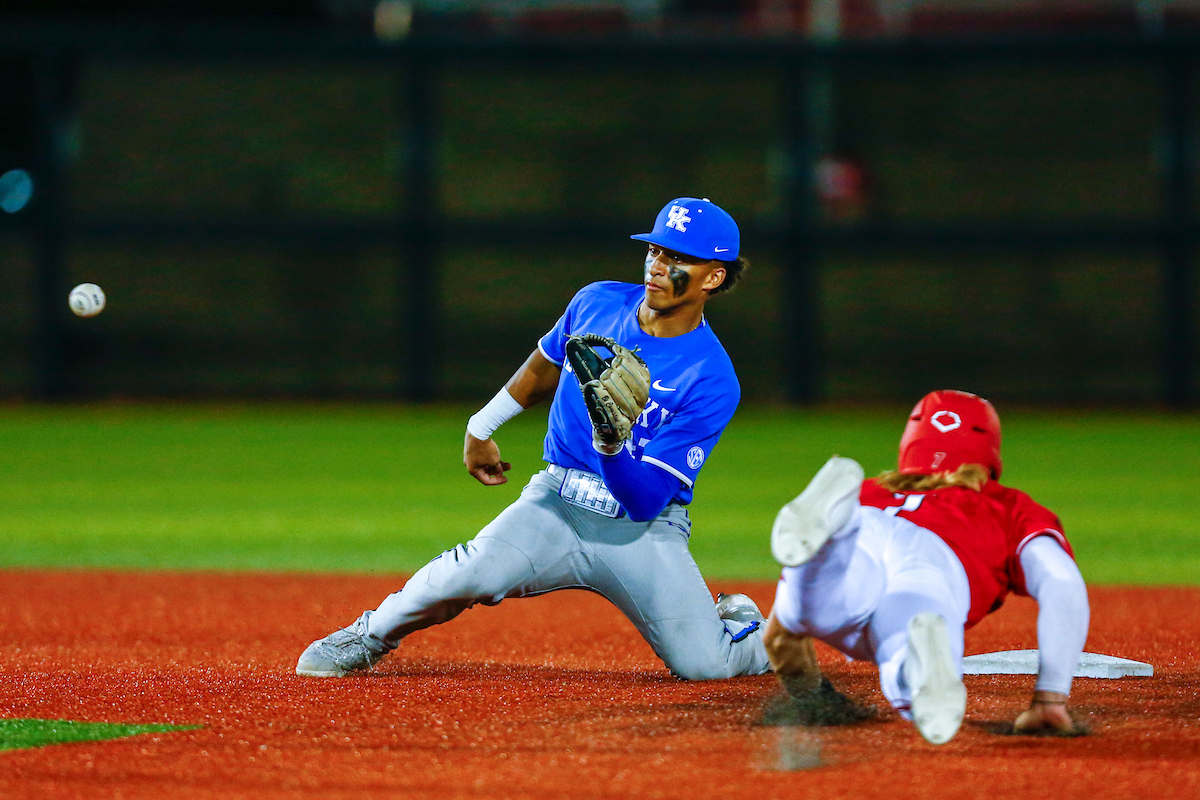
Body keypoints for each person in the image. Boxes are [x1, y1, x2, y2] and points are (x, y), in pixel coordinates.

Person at [296, 197, 771, 681]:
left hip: (640, 532)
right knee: (468, 573)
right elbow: (544, 366)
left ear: (713, 277)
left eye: (678, 258)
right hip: (555, 504)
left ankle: (751, 630)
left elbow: (646, 502)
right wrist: (481, 426)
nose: (657, 266)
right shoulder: (598, 302)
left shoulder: (711, 377)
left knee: (707, 666)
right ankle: (370, 633)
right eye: (654, 251)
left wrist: (610, 443)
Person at [763, 390, 1090, 744]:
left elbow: (779, 638)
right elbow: (1062, 582)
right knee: (909, 658)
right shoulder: (1006, 505)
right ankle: (919, 666)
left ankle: (832, 540)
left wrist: (817, 703)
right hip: (935, 559)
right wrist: (1049, 699)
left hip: (866, 526)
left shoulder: (870, 491)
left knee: (808, 607)